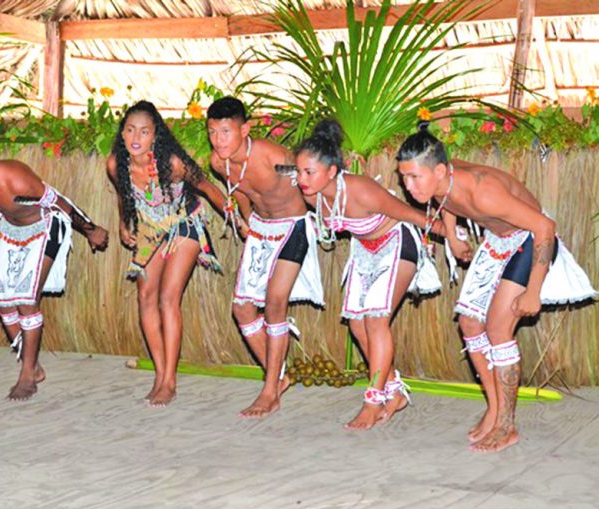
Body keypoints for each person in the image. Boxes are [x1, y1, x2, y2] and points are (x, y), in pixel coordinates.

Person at [396, 122, 596, 452]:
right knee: (469, 322)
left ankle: (507, 424)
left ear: (441, 170)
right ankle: (495, 408)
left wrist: (533, 290)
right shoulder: (440, 180)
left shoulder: (483, 191)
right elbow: (444, 200)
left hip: (530, 239)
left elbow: (545, 227)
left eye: (414, 177)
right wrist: (455, 236)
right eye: (404, 177)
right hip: (498, 240)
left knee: (498, 329)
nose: (408, 185)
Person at [295, 119, 445, 429]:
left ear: (332, 172)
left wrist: (450, 235)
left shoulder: (361, 190)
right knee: (356, 324)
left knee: (376, 318)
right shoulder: (313, 196)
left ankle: (372, 400)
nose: (301, 179)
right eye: (298, 172)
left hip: (397, 242)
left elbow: (410, 214)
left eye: (309, 172)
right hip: (365, 250)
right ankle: (393, 392)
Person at [0, 123, 109, 401]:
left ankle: (27, 374)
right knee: (4, 305)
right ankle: (33, 365)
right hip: (12, 231)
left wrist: (90, 228)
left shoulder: (14, 177)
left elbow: (59, 201)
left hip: (46, 225)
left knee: (27, 301)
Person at [207, 96, 325, 418]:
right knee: (242, 309)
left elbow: (309, 178)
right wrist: (245, 223)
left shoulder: (274, 157)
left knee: (275, 303)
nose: (219, 140)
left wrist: (331, 212)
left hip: (293, 228)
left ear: (245, 129)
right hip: (260, 229)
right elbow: (244, 193)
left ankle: (270, 389)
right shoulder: (219, 163)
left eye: (226, 132)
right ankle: (278, 376)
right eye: (213, 132)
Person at [107, 101, 227, 407]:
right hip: (150, 225)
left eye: (144, 131)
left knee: (167, 297)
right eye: (131, 129)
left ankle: (169, 381)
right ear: (122, 133)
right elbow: (124, 194)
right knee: (145, 296)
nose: (136, 136)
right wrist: (123, 224)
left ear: (155, 136)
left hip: (184, 221)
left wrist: (237, 218)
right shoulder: (115, 164)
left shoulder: (171, 162)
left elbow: (208, 188)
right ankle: (160, 375)